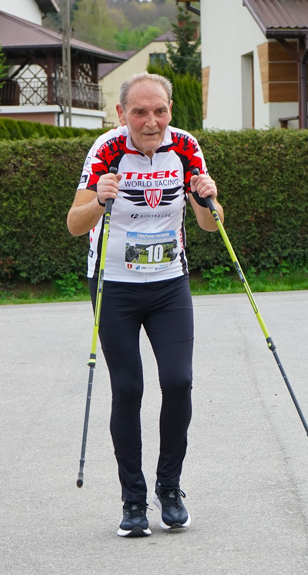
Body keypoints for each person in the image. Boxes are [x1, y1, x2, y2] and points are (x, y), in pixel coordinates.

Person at [67, 72, 222, 538]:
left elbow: (212, 226)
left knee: (179, 381)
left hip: (169, 283)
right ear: (122, 114)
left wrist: (206, 198)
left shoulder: (186, 147)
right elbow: (75, 224)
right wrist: (99, 199)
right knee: (129, 389)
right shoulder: (107, 149)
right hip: (113, 285)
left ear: (171, 110)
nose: (151, 121)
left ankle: (168, 488)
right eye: (139, 112)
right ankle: (133, 501)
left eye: (159, 111)